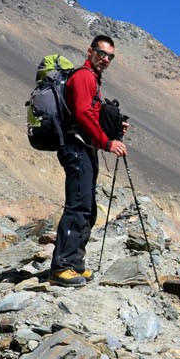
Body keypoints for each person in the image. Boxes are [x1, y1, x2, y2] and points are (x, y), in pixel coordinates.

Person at [49, 35, 128, 287]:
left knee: (88, 208)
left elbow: (91, 114)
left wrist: (113, 127)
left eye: (110, 56)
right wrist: (107, 142)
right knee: (78, 206)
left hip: (85, 148)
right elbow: (83, 114)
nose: (105, 59)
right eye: (101, 53)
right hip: (76, 148)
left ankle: (75, 264)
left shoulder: (93, 79)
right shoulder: (83, 76)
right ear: (90, 51)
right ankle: (61, 267)